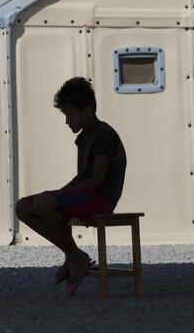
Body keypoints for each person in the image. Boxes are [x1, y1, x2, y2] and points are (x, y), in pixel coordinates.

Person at [15, 77, 127, 296]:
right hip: (85, 195)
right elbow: (81, 177)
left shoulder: (103, 134)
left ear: (86, 110)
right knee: (23, 207)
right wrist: (59, 194)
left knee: (45, 202)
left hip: (99, 199)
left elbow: (97, 180)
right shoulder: (85, 137)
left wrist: (58, 195)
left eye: (70, 114)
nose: (67, 121)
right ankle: (74, 254)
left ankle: (75, 257)